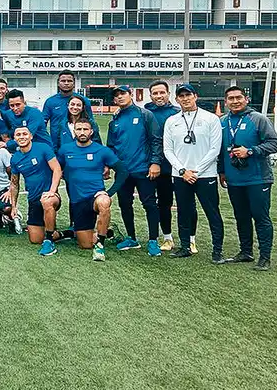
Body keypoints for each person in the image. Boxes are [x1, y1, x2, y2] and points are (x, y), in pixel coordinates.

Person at [219, 86, 277, 271]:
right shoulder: (223, 121)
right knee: (241, 216)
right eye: (231, 98)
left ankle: (264, 256)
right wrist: (222, 171)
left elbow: (274, 143)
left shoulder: (258, 119)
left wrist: (252, 151)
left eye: (238, 97)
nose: (235, 101)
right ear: (226, 102)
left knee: (260, 217)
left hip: (257, 178)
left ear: (246, 99)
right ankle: (245, 251)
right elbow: (221, 151)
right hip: (234, 179)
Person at [161, 84, 224, 262]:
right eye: (181, 96)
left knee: (212, 212)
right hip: (181, 175)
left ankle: (217, 250)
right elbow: (168, 150)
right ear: (177, 99)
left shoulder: (211, 119)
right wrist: (183, 170)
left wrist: (197, 170)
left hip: (205, 175)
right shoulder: (172, 121)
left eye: (188, 95)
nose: (185, 99)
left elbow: (215, 149)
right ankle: (185, 246)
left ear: (195, 96)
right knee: (184, 211)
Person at [106, 85, 164, 256]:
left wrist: (155, 162)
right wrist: (109, 166)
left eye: (123, 94)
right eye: (117, 96)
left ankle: (153, 240)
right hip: (123, 172)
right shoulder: (114, 120)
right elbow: (111, 147)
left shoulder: (145, 114)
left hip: (143, 169)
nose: (120, 97)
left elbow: (155, 140)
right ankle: (131, 238)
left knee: (149, 204)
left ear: (130, 95)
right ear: (114, 100)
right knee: (125, 204)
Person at [58, 119, 127, 261]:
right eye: (79, 129)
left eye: (85, 129)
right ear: (74, 131)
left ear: (91, 131)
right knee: (85, 245)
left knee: (104, 202)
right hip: (77, 200)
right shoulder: (65, 150)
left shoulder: (102, 151)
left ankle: (100, 245)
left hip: (95, 197)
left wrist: (109, 192)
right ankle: (107, 231)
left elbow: (123, 171)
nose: (82, 132)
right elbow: (56, 169)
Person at [9, 126, 62, 256]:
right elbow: (14, 184)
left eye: (25, 134)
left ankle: (49, 242)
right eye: (18, 135)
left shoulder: (43, 148)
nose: (22, 137)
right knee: (35, 239)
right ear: (14, 138)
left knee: (46, 201)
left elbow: (57, 169)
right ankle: (63, 233)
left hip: (50, 196)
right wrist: (13, 207)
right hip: (33, 199)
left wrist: (52, 191)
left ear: (31, 136)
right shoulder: (15, 158)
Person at [146, 80, 181, 251]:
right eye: (155, 93)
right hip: (152, 165)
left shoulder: (177, 113)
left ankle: (189, 238)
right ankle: (166, 237)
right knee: (157, 204)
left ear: (168, 94)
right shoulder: (145, 112)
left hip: (173, 166)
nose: (159, 96)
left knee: (178, 202)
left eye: (162, 93)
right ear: (150, 95)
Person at [43, 70, 92, 143]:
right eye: (63, 81)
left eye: (69, 81)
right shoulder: (50, 101)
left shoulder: (83, 100)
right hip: (56, 144)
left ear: (74, 83)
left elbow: (90, 122)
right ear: (58, 83)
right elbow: (43, 124)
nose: (66, 83)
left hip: (80, 143)